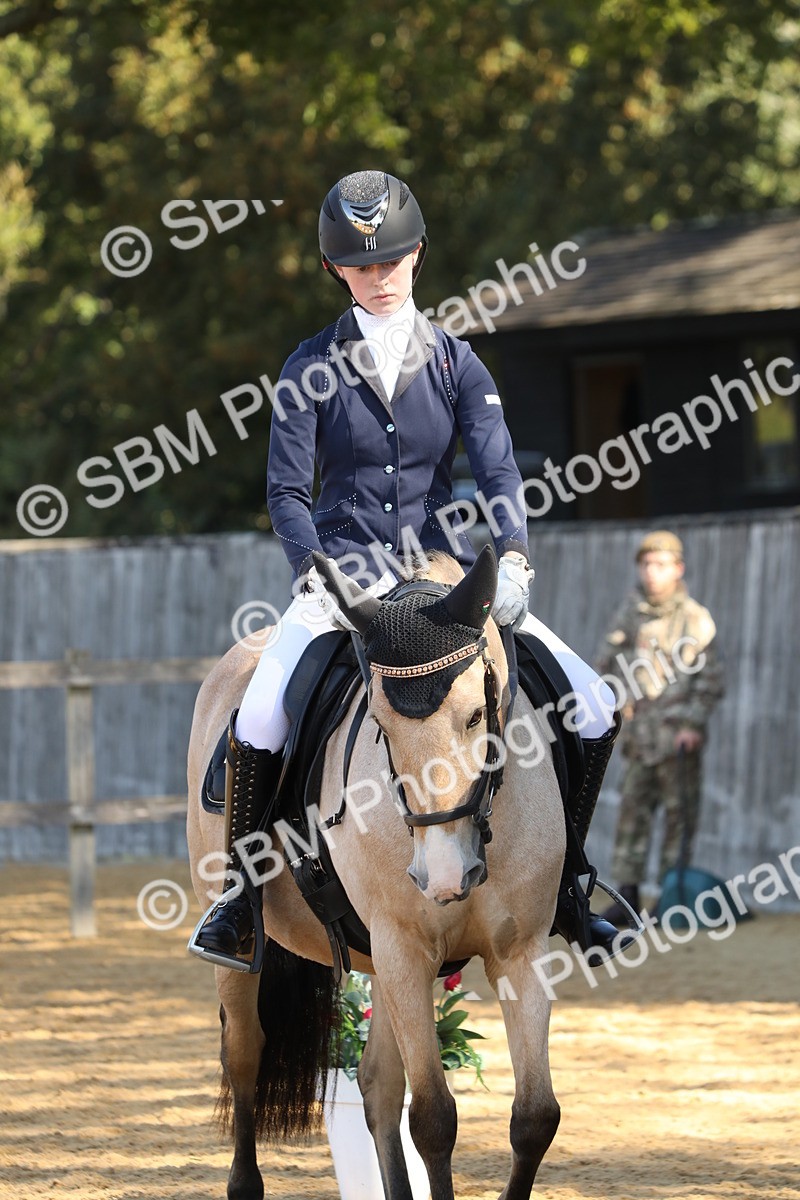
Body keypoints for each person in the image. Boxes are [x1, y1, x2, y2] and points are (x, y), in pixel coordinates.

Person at [192, 170, 622, 970]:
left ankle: (572, 887)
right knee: (257, 718)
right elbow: (286, 491)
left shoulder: (458, 364)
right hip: (344, 583)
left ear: (417, 254)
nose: (378, 277)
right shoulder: (307, 366)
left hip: (438, 576)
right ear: (335, 271)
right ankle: (239, 901)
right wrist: (312, 569)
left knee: (594, 704)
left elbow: (497, 475)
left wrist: (516, 554)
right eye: (361, 266)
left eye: (390, 260)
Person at [596, 531, 724, 923]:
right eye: (647, 564)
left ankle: (672, 896)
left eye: (662, 565)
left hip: (676, 739)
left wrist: (692, 723)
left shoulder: (695, 618)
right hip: (639, 738)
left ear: (678, 569)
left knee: (678, 818)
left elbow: (711, 679)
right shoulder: (630, 612)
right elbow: (606, 662)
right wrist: (618, 702)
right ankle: (628, 897)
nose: (653, 572)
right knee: (631, 814)